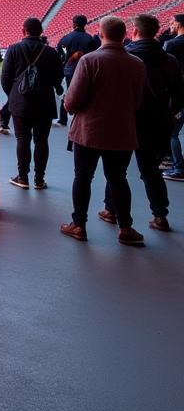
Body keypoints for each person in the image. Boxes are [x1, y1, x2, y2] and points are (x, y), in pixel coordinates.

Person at [60, 16, 147, 246]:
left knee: (82, 178)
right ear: (125, 35)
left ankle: (79, 225)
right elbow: (138, 102)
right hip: (122, 132)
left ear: (100, 34)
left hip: (88, 132)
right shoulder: (137, 64)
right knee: (118, 179)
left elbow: (71, 102)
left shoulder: (89, 61)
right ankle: (125, 227)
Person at [99, 14, 183, 232]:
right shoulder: (169, 60)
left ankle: (111, 209)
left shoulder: (124, 57)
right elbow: (179, 95)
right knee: (150, 170)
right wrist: (169, 113)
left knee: (117, 171)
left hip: (125, 121)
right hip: (156, 123)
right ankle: (160, 215)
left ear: (134, 31)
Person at [0, 17, 63, 190]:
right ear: (41, 31)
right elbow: (59, 77)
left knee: (22, 140)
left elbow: (5, 78)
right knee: (42, 141)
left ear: (23, 30)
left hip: (21, 104)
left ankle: (22, 177)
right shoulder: (51, 52)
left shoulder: (13, 49)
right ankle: (39, 179)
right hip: (45, 103)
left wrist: (14, 95)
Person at [56, 14, 100, 126]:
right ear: (85, 24)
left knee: (69, 92)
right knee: (86, 94)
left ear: (73, 24)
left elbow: (61, 56)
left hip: (70, 71)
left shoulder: (65, 38)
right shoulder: (89, 39)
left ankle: (63, 118)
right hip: (87, 71)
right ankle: (83, 117)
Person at [163, 13, 184, 181]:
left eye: (171, 22)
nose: (169, 24)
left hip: (177, 95)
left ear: (178, 25)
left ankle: (178, 167)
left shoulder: (171, 44)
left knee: (173, 133)